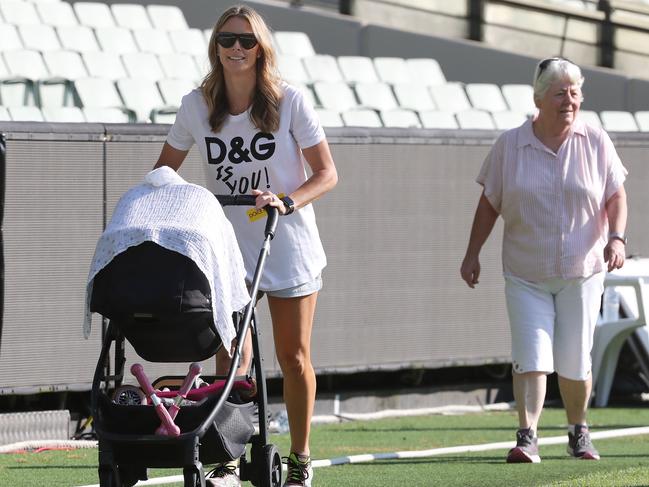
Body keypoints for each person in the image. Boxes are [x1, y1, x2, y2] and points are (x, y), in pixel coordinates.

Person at [154, 5, 338, 486]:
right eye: (227, 40)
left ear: (261, 49)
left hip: (286, 242)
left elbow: (327, 173)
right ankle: (228, 458)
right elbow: (164, 173)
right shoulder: (196, 105)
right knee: (230, 355)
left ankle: (300, 458)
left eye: (246, 41)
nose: (236, 48)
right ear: (215, 47)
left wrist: (286, 200)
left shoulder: (290, 101)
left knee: (293, 356)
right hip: (228, 249)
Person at [460, 57, 627, 464]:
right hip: (526, 272)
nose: (569, 100)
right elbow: (489, 204)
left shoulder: (596, 140)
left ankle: (578, 432)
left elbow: (615, 195)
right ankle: (527, 435)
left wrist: (617, 239)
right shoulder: (510, 145)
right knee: (532, 355)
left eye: (574, 92)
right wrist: (472, 252)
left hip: (582, 271)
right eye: (560, 93)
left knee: (574, 358)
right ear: (539, 99)